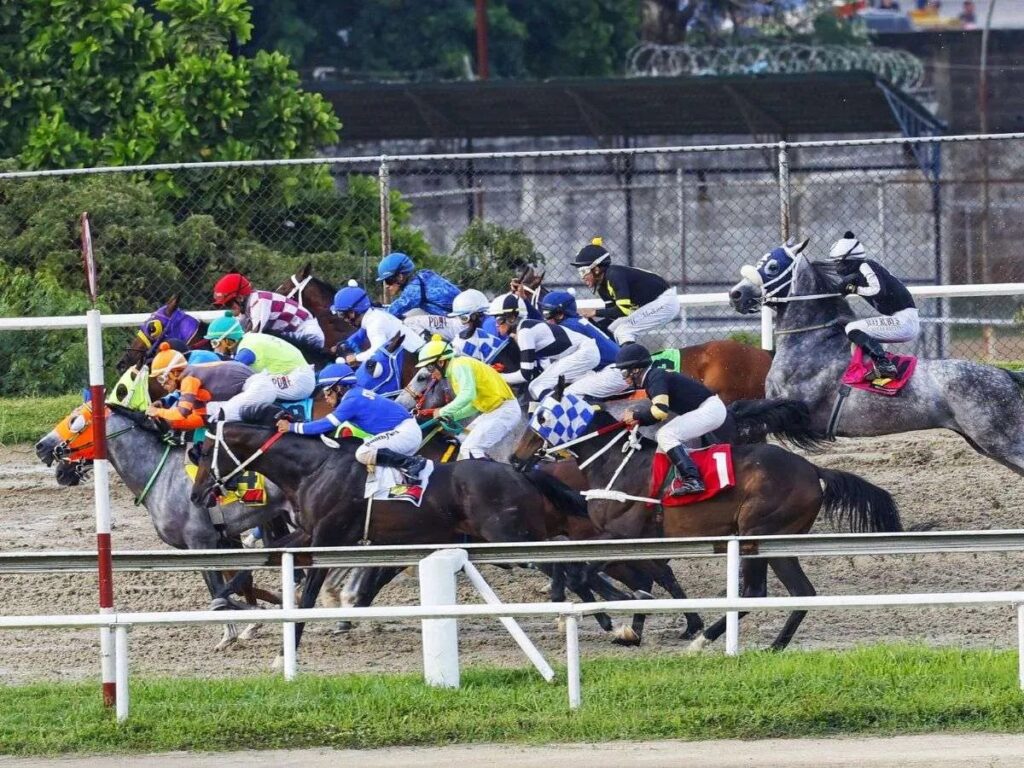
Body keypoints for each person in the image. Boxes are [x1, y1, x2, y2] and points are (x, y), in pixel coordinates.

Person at [276, 363, 426, 481]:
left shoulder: (352, 400)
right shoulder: (356, 393)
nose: (326, 398)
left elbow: (325, 425)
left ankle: (412, 463)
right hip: (403, 431)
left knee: (363, 452)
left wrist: (291, 427)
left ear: (339, 388)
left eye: (327, 392)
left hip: (404, 433)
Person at [614, 344, 727, 497]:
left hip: (710, 410)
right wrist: (639, 420)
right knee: (663, 440)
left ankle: (693, 480)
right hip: (707, 408)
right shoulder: (653, 377)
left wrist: (635, 416)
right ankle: (664, 487)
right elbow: (658, 413)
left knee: (665, 435)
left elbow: (660, 411)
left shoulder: (655, 377)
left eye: (624, 372)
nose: (624, 377)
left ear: (636, 369)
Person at [828, 231, 919, 379]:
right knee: (855, 337)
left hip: (904, 320)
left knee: (852, 328)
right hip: (902, 320)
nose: (836, 267)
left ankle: (885, 365)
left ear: (847, 260)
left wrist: (855, 289)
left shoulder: (866, 265)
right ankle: (869, 370)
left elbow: (878, 290)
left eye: (837, 262)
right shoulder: (861, 270)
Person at [416, 336, 521, 460]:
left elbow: (467, 395)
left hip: (504, 411)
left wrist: (443, 411)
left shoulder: (459, 364)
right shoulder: (455, 373)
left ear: (441, 362)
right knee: (461, 439)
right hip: (492, 412)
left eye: (430, 367)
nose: (430, 373)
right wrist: (453, 416)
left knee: (470, 449)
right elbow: (473, 405)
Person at [487, 293, 600, 403]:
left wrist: (497, 376)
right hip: (582, 351)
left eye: (498, 320)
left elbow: (525, 375)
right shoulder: (525, 327)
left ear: (512, 318)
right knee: (540, 385)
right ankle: (586, 400)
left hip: (584, 352)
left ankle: (562, 410)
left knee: (537, 386)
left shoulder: (524, 332)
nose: (496, 324)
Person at [570, 237, 680, 345]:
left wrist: (594, 312)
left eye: (583, 271)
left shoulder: (614, 275)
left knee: (623, 331)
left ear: (597, 269)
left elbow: (623, 310)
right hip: (651, 304)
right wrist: (591, 325)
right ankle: (615, 360)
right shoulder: (602, 286)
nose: (582, 277)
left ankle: (634, 362)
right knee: (611, 329)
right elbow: (613, 315)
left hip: (665, 302)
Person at [145, 342, 277, 430]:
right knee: (212, 417)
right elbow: (201, 418)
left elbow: (181, 413)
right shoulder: (190, 381)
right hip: (253, 388)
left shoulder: (188, 380)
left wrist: (158, 412)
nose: (162, 384)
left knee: (221, 419)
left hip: (258, 386)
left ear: (174, 372)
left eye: (162, 378)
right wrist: (171, 424)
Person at [204, 313, 316, 402]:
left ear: (228, 340)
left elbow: (229, 374)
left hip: (298, 381)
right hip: (298, 375)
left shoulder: (247, 350)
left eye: (215, 343)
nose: (215, 348)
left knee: (247, 385)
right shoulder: (247, 340)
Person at [211, 272, 325, 350]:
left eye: (229, 303)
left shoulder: (258, 301)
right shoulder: (248, 307)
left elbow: (253, 335)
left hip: (307, 334)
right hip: (292, 336)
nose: (228, 307)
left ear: (240, 297)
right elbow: (239, 332)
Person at [329, 285, 425, 366]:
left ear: (353, 312)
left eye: (343, 314)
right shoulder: (374, 315)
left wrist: (356, 358)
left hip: (419, 359)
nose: (344, 319)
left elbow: (378, 352)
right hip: (416, 356)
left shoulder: (374, 323)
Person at [376, 252, 461, 319]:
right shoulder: (422, 276)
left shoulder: (414, 289)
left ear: (400, 277)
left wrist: (373, 312)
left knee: (410, 322)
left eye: (388, 281)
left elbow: (390, 313)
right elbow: (400, 304)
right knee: (412, 312)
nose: (386, 286)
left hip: (460, 322)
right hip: (459, 318)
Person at [448, 289, 509, 364]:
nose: (463, 323)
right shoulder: (488, 321)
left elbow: (491, 355)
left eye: (463, 318)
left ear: (474, 316)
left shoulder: (488, 325)